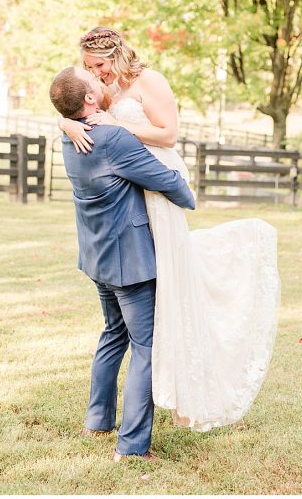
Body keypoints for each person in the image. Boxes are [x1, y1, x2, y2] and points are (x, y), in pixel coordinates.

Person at [59, 27, 280, 432]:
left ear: (117, 56)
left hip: (151, 186)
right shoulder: (97, 97)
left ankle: (108, 419)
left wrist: (117, 129)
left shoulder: (149, 82)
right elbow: (73, 102)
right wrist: (67, 124)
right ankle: (126, 436)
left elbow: (169, 135)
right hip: (128, 194)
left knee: (146, 307)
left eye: (99, 66)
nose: (96, 73)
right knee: (137, 330)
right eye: (90, 69)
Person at [49, 66, 196, 461]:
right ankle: (131, 447)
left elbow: (66, 112)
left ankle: (97, 420)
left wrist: (64, 121)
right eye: (94, 80)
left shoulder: (69, 136)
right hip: (129, 263)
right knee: (146, 346)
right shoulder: (112, 137)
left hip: (98, 258)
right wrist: (188, 194)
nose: (102, 81)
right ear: (91, 101)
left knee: (114, 333)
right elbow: (161, 179)